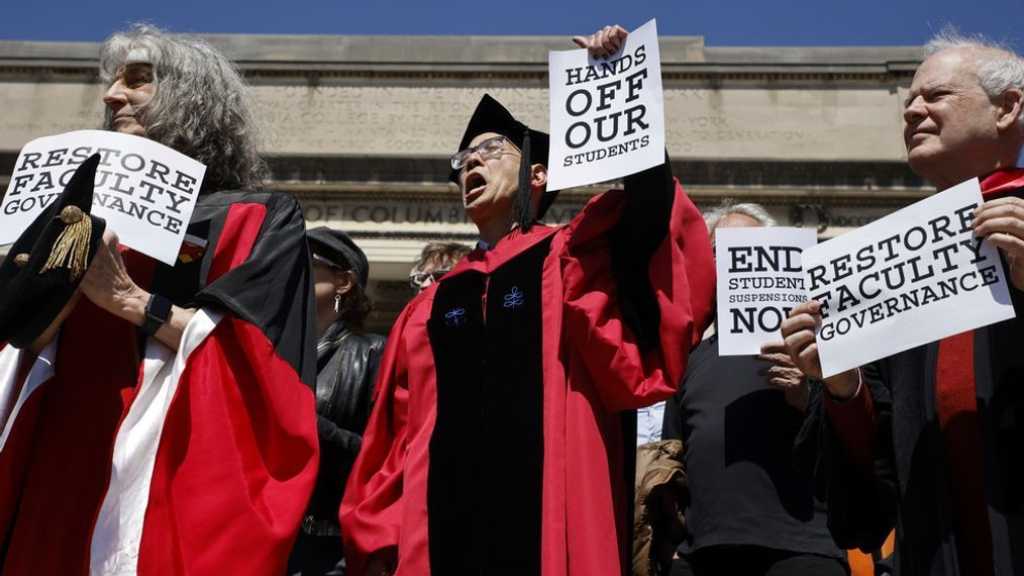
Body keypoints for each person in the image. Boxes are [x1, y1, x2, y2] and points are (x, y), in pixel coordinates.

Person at [340, 25, 715, 576]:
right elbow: (395, 438)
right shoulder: (431, 304)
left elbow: (649, 227)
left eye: (489, 150)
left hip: (548, 532)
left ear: (537, 174)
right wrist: (378, 541)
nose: (470, 162)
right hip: (437, 538)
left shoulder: (573, 260)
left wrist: (615, 80)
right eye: (462, 158)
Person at [0, 25, 318, 574]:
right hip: (57, 455)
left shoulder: (254, 217)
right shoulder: (73, 213)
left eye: (138, 81)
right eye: (113, 82)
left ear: (192, 98)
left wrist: (128, 298)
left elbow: (261, 362)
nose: (111, 96)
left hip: (164, 463)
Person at [780, 30, 1024, 575]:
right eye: (908, 100)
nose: (912, 111)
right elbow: (872, 488)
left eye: (936, 96)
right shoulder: (890, 266)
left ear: (1008, 107)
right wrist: (843, 386)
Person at [662, 202, 846, 576]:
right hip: (705, 554)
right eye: (718, 252)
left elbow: (855, 438)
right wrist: (675, 547)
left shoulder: (817, 345)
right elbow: (671, 458)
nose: (731, 261)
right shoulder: (689, 357)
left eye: (743, 248)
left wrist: (807, 394)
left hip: (801, 548)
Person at [290, 228, 387, 576]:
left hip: (332, 553)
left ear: (343, 282)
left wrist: (308, 423)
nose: (288, 269)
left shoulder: (375, 352)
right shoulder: (272, 351)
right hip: (268, 543)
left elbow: (384, 460)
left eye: (304, 262)